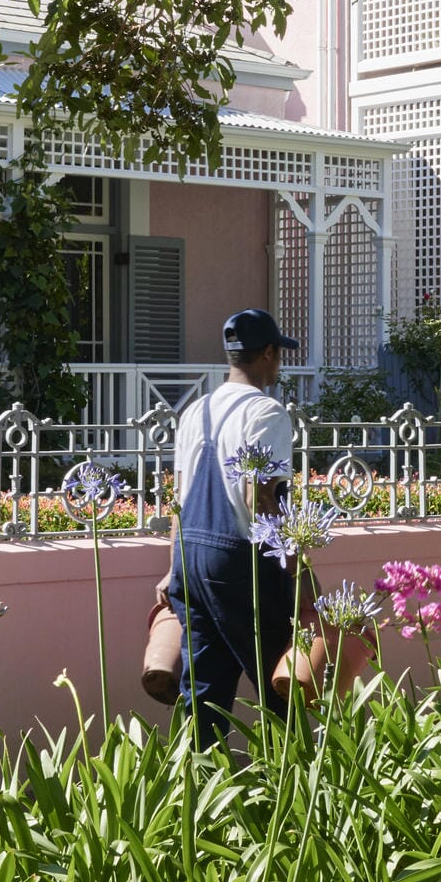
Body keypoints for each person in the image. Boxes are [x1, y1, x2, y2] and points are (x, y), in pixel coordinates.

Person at [165, 307, 313, 744]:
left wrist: (171, 567)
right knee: (279, 679)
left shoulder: (195, 411)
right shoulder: (267, 412)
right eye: (278, 355)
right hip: (239, 559)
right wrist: (294, 568)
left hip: (190, 556)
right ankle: (293, 787)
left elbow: (178, 495)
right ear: (268, 353)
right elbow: (261, 497)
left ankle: (201, 792)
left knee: (203, 690)